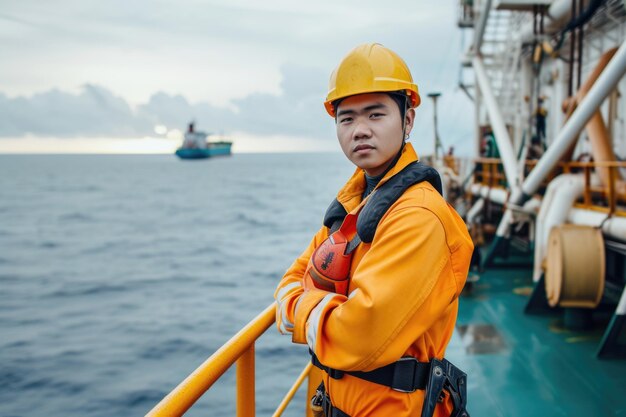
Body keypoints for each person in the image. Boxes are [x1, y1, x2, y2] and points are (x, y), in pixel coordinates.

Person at [274, 43, 473, 417]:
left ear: (408, 120)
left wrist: (298, 307)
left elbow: (358, 338)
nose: (360, 130)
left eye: (376, 114)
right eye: (346, 119)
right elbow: (292, 277)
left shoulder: (419, 216)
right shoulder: (353, 204)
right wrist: (316, 307)